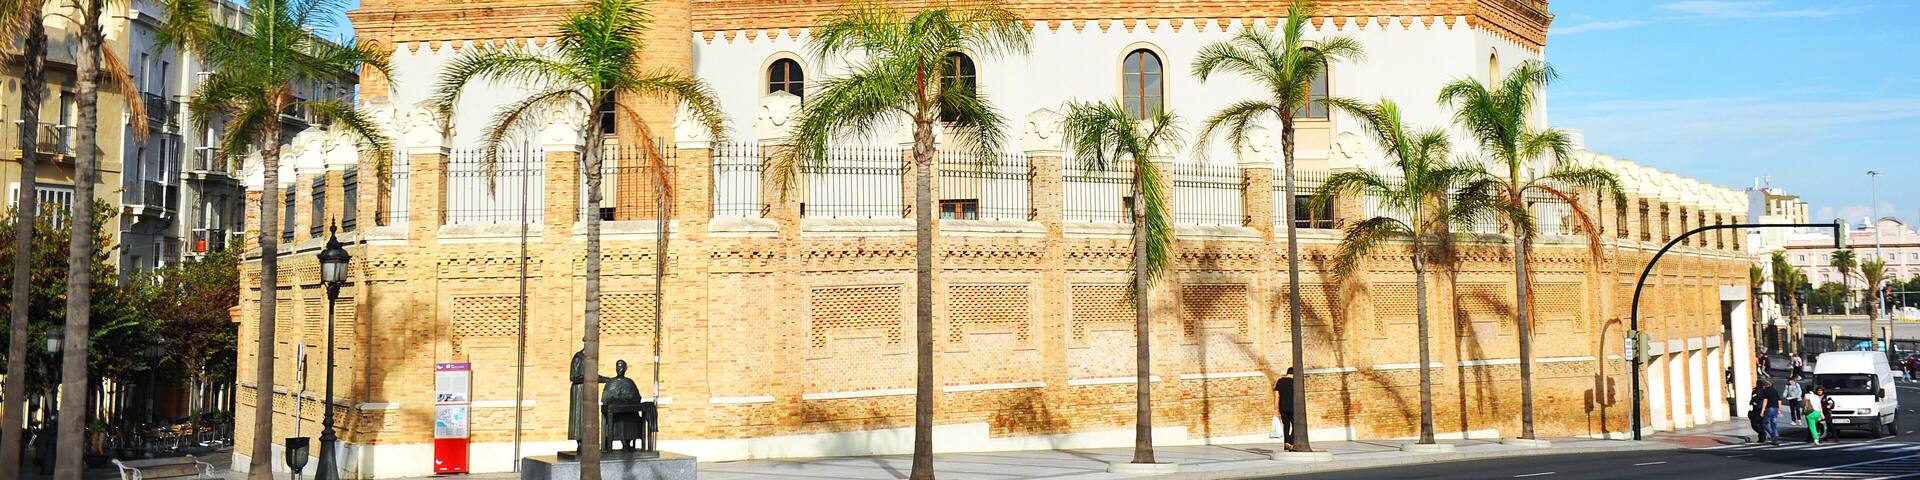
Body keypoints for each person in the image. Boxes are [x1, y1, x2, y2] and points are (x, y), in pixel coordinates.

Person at [1273, 367, 1298, 450]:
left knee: (1286, 425)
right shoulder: (1295, 383)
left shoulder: (1280, 381)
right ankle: (1289, 442)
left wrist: (1275, 409)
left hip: (1282, 408)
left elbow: (1276, 396)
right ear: (1294, 374)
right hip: (1292, 408)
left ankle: (1285, 444)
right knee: (1296, 425)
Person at [1758, 378, 1782, 445]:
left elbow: (1765, 401)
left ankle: (1773, 435)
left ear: (1765, 386)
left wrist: (1762, 411)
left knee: (1765, 423)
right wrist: (1780, 410)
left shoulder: (1766, 391)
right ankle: (1775, 435)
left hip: (1770, 408)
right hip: (1776, 408)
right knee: (1773, 423)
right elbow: (1779, 401)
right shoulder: (1775, 391)